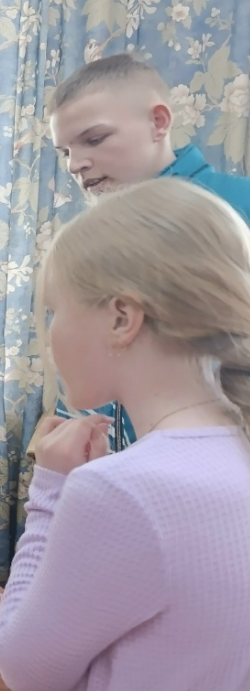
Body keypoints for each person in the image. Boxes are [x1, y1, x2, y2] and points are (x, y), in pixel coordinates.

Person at [0, 179, 250, 691]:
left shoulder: (121, 490)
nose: (49, 335)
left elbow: (25, 669)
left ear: (121, 318)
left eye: (54, 312)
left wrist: (51, 490)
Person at [40, 52, 250, 452]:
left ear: (159, 122)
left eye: (94, 139)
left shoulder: (240, 206)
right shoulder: (89, 241)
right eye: (65, 152)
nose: (75, 165)